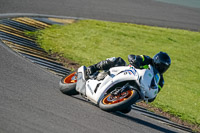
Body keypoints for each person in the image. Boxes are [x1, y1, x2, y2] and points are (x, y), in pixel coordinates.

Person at [87, 51, 171, 102]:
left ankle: (119, 99)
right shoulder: (147, 59)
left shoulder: (160, 81)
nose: (162, 67)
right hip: (129, 73)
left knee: (126, 109)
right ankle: (94, 67)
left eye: (164, 66)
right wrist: (135, 61)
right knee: (117, 60)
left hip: (139, 89)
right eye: (161, 64)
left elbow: (154, 95)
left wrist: (151, 96)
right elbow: (133, 57)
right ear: (157, 60)